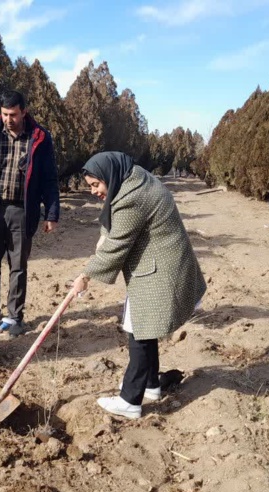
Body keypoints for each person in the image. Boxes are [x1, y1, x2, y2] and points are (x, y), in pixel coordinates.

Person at [70, 151, 206, 419]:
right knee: (145, 326)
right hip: (158, 262)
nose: (94, 192)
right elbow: (114, 217)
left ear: (109, 175)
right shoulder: (131, 178)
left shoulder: (133, 196)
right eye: (90, 187)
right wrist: (104, 236)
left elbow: (117, 243)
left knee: (138, 330)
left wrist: (85, 276)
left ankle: (130, 400)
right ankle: (151, 384)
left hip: (160, 269)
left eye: (96, 184)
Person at [0, 90, 60, 336]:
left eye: (13, 114)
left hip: (21, 210)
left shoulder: (39, 137)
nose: (8, 119)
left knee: (18, 266)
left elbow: (49, 178)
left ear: (23, 112)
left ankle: (15, 316)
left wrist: (52, 212)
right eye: (4, 114)